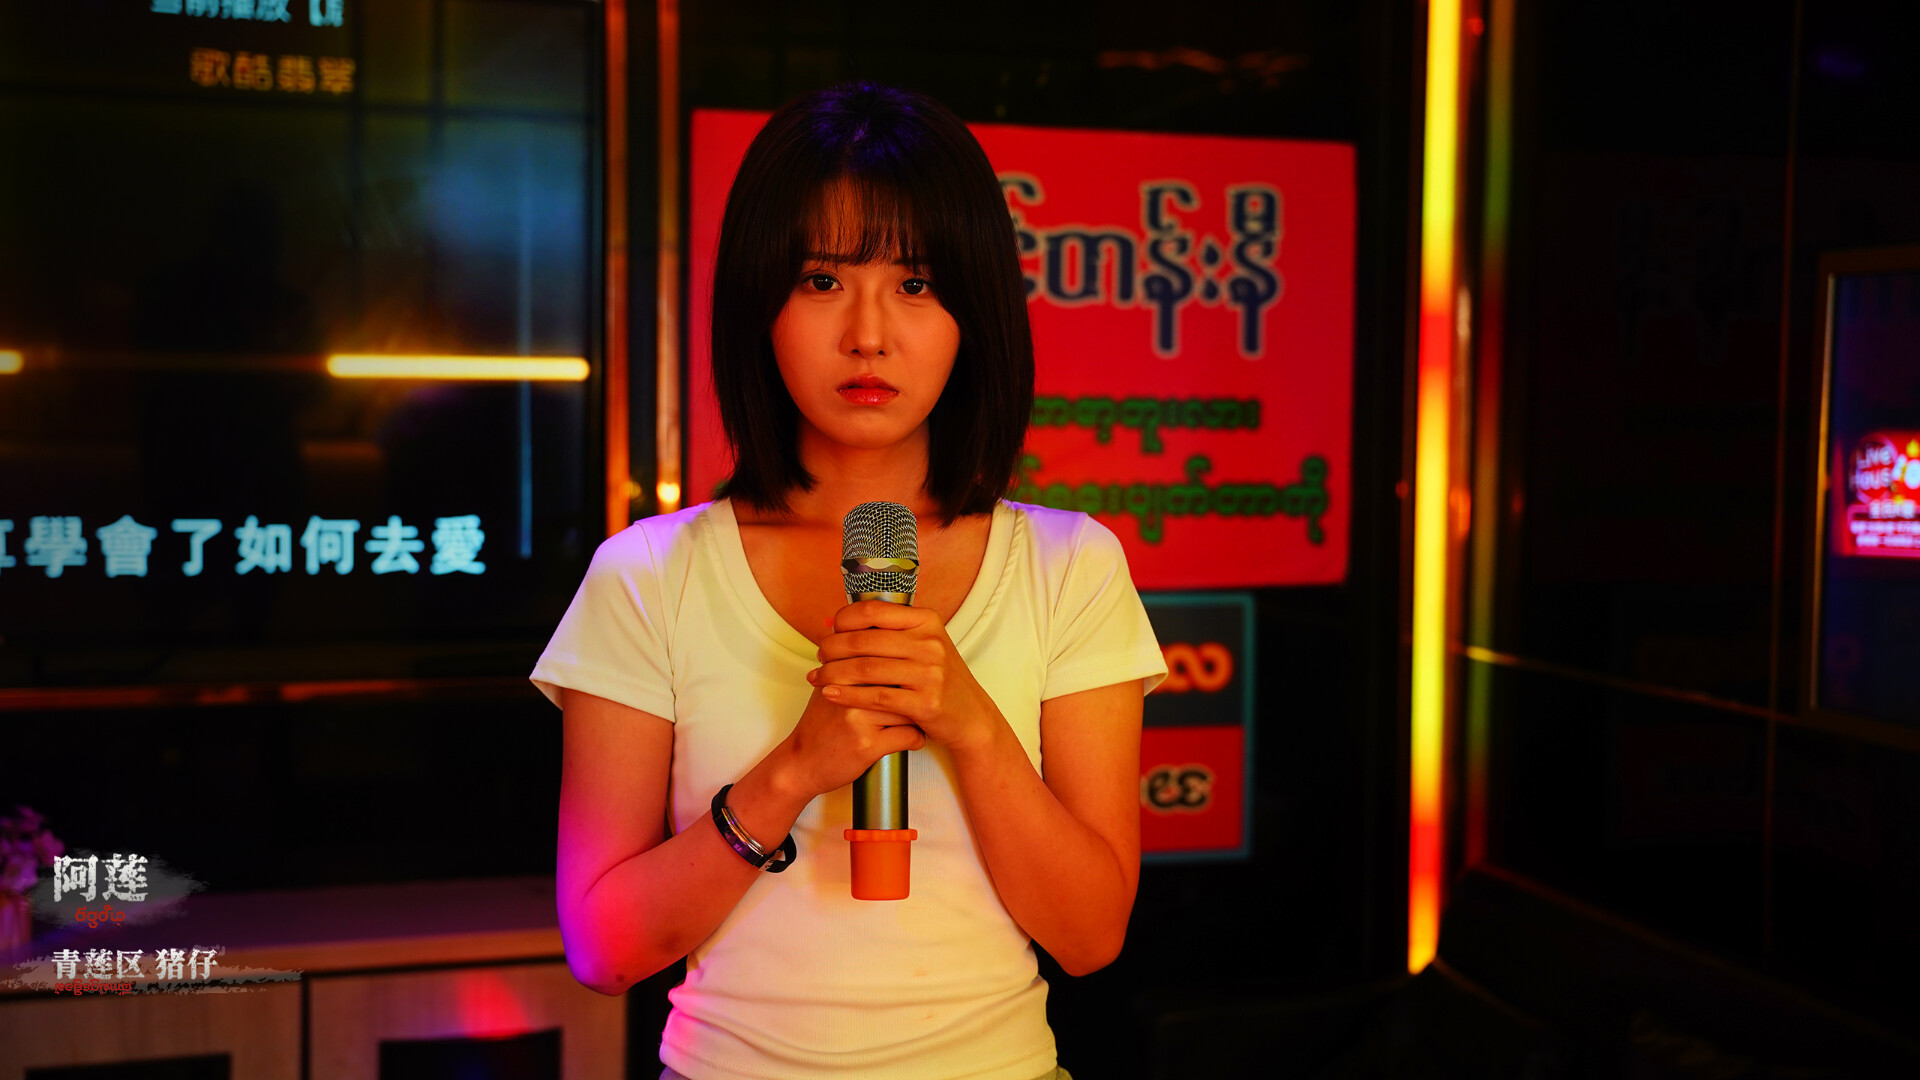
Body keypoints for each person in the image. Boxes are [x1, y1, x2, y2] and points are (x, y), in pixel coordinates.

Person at [532, 82, 1167, 1080]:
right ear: (759, 304)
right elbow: (604, 950)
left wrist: (968, 720)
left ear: (974, 313)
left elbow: (1091, 936)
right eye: (823, 280)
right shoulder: (650, 575)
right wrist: (792, 773)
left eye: (916, 283)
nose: (869, 334)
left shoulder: (1067, 566)